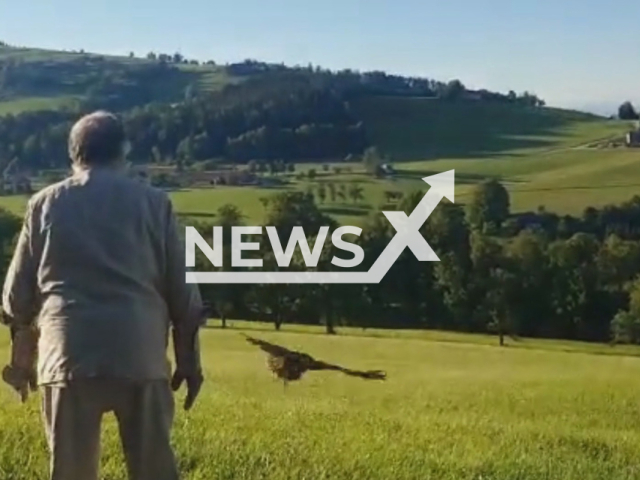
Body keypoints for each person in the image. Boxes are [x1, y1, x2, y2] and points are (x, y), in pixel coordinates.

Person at [1, 110, 206, 480]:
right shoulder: (156, 204)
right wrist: (189, 362)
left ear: (74, 154)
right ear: (123, 151)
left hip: (67, 355)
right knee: (154, 471)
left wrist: (21, 362)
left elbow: (16, 299)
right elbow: (184, 296)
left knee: (71, 473)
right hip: (139, 353)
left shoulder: (44, 204)